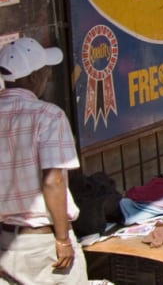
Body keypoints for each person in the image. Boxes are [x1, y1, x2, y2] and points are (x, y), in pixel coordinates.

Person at [0, 38, 89, 283]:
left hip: (7, 244)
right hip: (43, 243)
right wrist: (62, 239)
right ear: (32, 78)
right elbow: (53, 180)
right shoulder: (48, 116)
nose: (48, 75)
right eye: (44, 71)